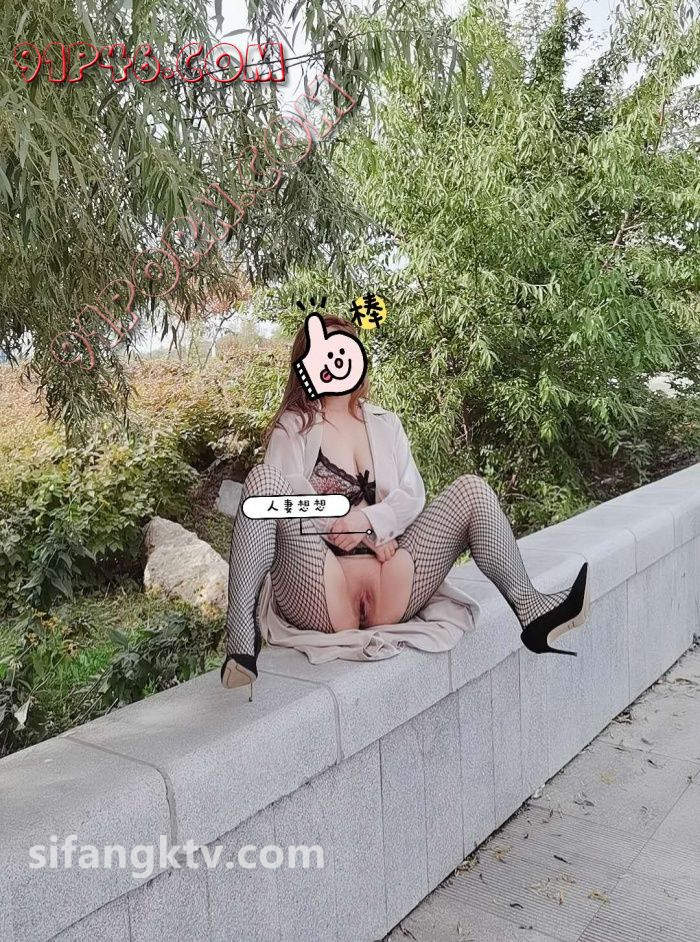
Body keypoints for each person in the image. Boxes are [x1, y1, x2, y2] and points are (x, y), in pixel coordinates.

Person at [221, 314, 589, 694]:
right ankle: (240, 637)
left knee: (472, 490)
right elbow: (283, 503)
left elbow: (412, 496)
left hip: (392, 586)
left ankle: (531, 609)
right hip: (321, 588)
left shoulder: (386, 423)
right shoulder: (293, 427)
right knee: (262, 481)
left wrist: (369, 523)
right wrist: (352, 527)